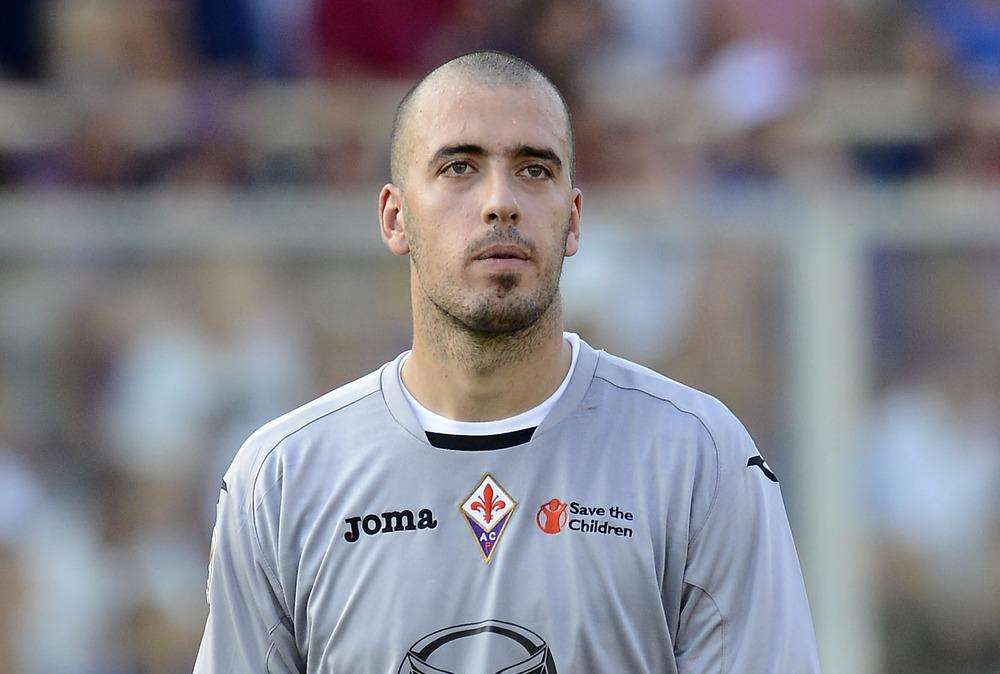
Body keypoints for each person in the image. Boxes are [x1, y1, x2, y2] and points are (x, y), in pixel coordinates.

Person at [192, 50, 821, 673]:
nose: (500, 201)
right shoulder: (282, 480)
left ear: (573, 220)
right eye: (459, 168)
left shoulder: (699, 458)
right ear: (395, 217)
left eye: (535, 170)